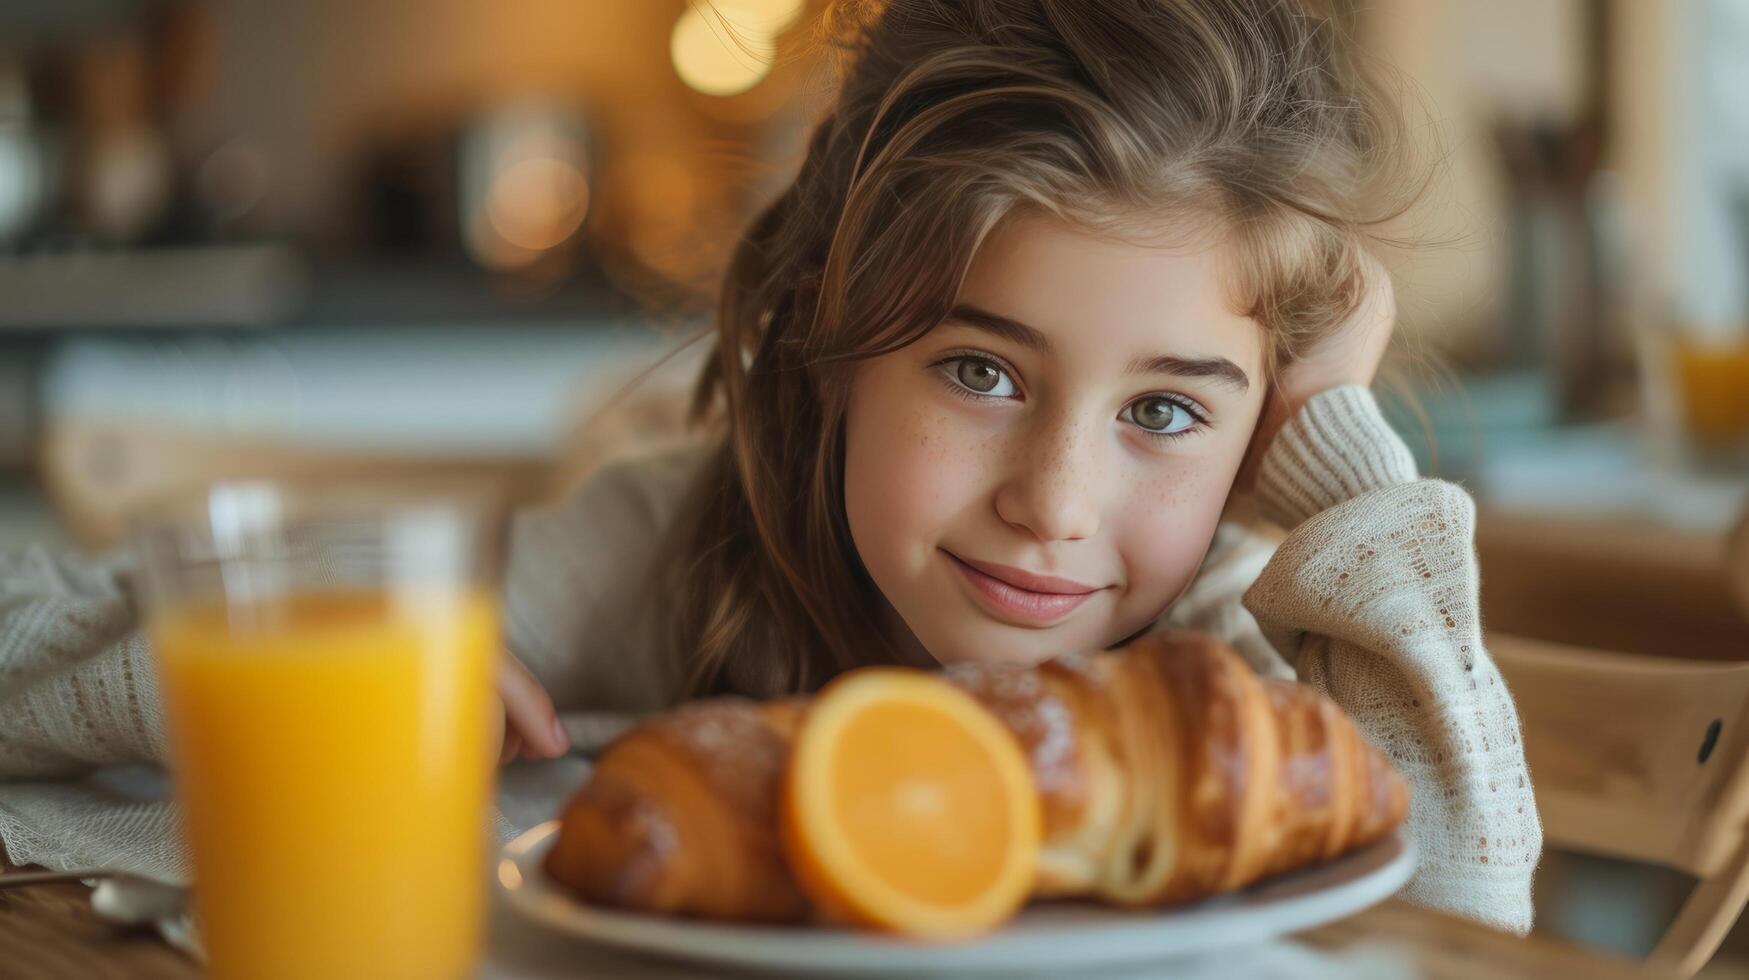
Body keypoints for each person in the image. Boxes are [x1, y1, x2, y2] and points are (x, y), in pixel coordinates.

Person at [0, 0, 1541, 935]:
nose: (1055, 507)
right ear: (824, 330)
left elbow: (1458, 917)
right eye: (979, 369)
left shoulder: (1228, 672)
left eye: (1167, 412)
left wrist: (1338, 459)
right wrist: (357, 666)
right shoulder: (672, 548)